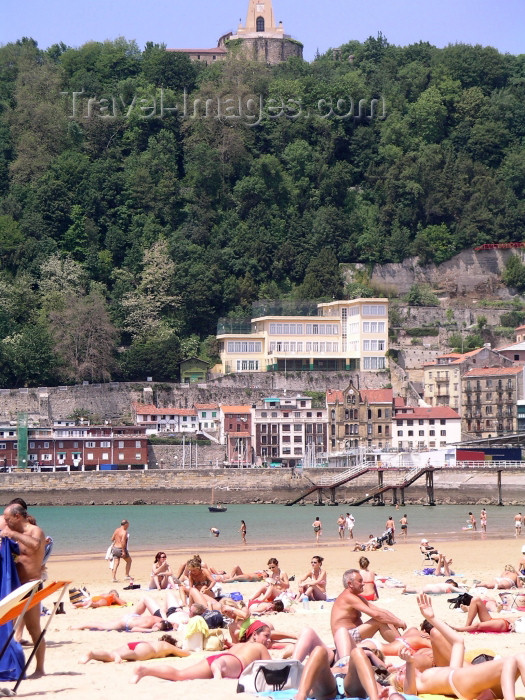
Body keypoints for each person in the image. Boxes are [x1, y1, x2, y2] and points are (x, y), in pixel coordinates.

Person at [392, 594, 525, 700]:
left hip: (471, 681)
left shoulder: (443, 671)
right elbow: (409, 692)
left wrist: (431, 618)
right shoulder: (419, 683)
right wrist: (409, 664)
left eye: (400, 671)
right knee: (510, 661)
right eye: (399, 676)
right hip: (463, 682)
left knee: (520, 658)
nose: (401, 671)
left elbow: (458, 642)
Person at [131, 620, 272, 683]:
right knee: (222, 664)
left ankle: (146, 671)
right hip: (232, 662)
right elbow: (271, 670)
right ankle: (218, 670)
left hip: (221, 657)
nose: (268, 640)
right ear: (254, 634)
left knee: (180, 675)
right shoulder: (259, 647)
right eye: (266, 636)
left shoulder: (238, 645)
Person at [1, 503, 46, 677]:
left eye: (7, 519)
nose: (5, 522)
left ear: (17, 517)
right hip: (12, 587)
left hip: (30, 586)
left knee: (34, 629)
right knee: (6, 627)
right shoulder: (9, 533)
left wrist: (12, 534)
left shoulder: (35, 531)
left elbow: (35, 545)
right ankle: (10, 666)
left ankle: (40, 668)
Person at [330, 569, 406, 659]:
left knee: (385, 619)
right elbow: (376, 615)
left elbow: (381, 611)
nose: (363, 583)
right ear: (350, 584)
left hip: (353, 636)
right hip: (345, 639)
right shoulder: (348, 597)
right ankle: (403, 646)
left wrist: (397, 621)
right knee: (379, 621)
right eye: (360, 581)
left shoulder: (356, 597)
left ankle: (402, 644)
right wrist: (397, 622)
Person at [72, 598, 174, 633]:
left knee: (103, 624)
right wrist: (151, 630)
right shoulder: (154, 624)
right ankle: (79, 626)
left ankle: (79, 626)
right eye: (157, 626)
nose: (155, 626)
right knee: (101, 626)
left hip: (131, 618)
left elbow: (173, 624)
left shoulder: (159, 619)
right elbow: (134, 629)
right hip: (126, 622)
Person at [78, 634, 190, 664]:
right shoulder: (167, 646)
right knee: (119, 656)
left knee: (111, 654)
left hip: (137, 643)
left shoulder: (156, 642)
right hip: (147, 649)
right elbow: (183, 653)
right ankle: (119, 656)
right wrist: (189, 652)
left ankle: (92, 654)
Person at [451, 597, 515, 634]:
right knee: (476, 599)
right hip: (499, 620)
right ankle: (467, 626)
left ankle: (459, 629)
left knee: (477, 625)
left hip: (506, 624)